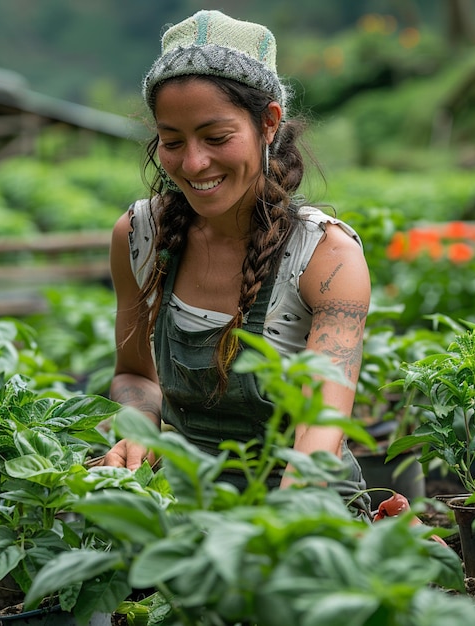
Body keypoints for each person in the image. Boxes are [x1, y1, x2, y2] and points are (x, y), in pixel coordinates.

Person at [103, 9, 371, 515]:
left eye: (216, 137)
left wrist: (263, 544)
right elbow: (135, 375)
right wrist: (138, 429)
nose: (194, 163)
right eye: (173, 141)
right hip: (186, 504)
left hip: (304, 511)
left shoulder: (326, 256)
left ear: (268, 123)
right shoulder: (140, 238)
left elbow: (320, 432)